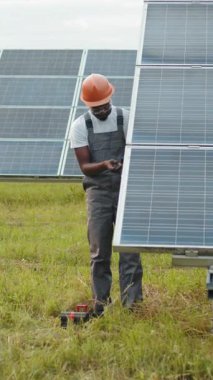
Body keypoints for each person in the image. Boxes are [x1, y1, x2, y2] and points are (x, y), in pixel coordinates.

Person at [70, 73, 143, 316]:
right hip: (97, 191)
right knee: (99, 251)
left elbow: (138, 150)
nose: (102, 111)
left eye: (105, 106)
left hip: (125, 189)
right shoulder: (80, 126)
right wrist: (105, 165)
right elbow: (85, 166)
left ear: (110, 98)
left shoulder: (125, 117)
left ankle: (132, 305)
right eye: (96, 108)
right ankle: (101, 304)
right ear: (87, 105)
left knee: (129, 249)